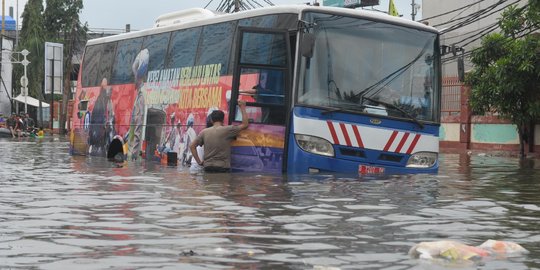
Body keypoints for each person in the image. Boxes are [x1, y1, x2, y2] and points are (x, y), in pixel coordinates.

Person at [190, 100, 249, 173]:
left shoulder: (204, 132)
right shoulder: (228, 130)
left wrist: (199, 162)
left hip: (208, 167)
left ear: (211, 120)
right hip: (222, 167)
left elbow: (192, 146)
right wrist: (242, 107)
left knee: (209, 184)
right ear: (223, 120)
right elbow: (245, 125)